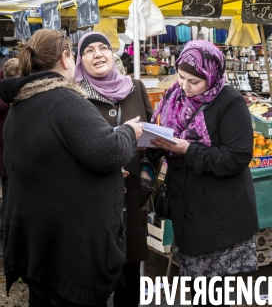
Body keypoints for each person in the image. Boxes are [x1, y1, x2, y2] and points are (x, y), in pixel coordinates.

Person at [0, 29, 144, 307]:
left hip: (42, 241)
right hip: (69, 249)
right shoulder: (63, 100)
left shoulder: (23, 101)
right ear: (67, 58)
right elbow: (107, 151)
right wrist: (128, 131)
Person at [151, 40, 259, 306]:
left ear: (211, 76)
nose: (185, 85)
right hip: (187, 209)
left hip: (221, 212)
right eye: (181, 76)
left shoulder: (230, 102)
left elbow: (237, 157)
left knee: (217, 292)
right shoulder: (173, 97)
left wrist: (188, 150)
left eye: (194, 81)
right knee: (196, 286)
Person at [74, 32, 157, 307]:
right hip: (92, 200)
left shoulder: (135, 86)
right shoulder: (73, 96)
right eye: (89, 50)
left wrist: (147, 169)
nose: (98, 54)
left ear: (113, 53)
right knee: (92, 277)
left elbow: (152, 134)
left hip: (131, 197)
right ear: (80, 59)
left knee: (130, 272)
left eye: (103, 48)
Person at [0, 58, 20, 256]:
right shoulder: (7, 99)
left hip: (7, 157)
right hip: (7, 159)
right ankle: (7, 248)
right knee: (8, 204)